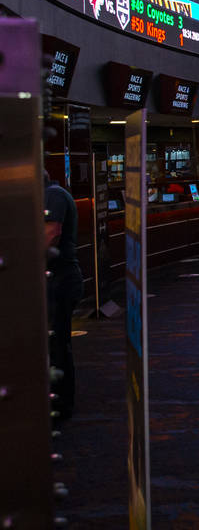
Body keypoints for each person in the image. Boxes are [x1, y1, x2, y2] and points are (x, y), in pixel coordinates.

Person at [46, 171, 82, 421]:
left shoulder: (53, 195)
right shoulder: (53, 194)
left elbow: (52, 234)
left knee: (56, 344)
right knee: (56, 343)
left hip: (60, 280)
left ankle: (60, 406)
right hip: (60, 279)